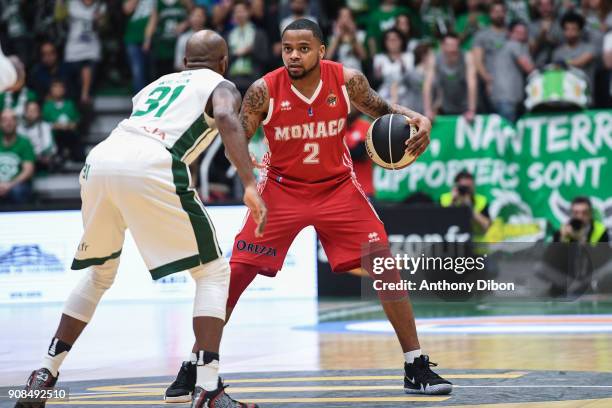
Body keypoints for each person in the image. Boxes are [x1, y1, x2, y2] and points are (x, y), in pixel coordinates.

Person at [164, 19, 452, 402]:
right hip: (282, 191)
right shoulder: (264, 90)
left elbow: (382, 109)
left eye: (303, 48)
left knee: (384, 267)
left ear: (322, 50)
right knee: (233, 275)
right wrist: (248, 174)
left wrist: (417, 117)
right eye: (287, 48)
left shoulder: (347, 80)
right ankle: (195, 362)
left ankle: (415, 365)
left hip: (337, 189)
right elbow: (236, 135)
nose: (294, 55)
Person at [14, 30, 266, 408]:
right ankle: (209, 388)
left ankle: (44, 373)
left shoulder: (155, 85)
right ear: (224, 62)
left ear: (184, 62)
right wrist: (248, 182)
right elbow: (228, 117)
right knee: (213, 272)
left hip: (101, 158)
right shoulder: (221, 84)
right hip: (151, 161)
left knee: (99, 273)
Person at [423, 33, 477, 121]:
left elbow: (472, 83)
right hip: (446, 107)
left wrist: (471, 109)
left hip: (465, 107)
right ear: (442, 46)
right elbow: (427, 84)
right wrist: (427, 110)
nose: (453, 49)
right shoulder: (435, 58)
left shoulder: (467, 57)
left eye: (455, 46)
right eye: (449, 45)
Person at [490, 20, 535, 122]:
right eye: (518, 33)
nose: (521, 36)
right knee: (510, 131)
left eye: (524, 33)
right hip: (508, 98)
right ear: (509, 33)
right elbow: (529, 68)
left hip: (499, 96)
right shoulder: (515, 45)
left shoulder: (505, 46)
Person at [225, 1, 270, 95]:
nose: (239, 14)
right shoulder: (228, 35)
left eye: (242, 11)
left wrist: (251, 51)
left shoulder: (259, 34)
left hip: (253, 79)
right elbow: (224, 60)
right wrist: (237, 54)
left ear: (249, 12)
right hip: (232, 80)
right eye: (236, 12)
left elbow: (266, 58)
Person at [472, 1, 508, 111]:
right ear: (490, 14)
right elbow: (477, 61)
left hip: (511, 84)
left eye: (501, 11)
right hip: (491, 85)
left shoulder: (512, 33)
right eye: (495, 11)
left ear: (505, 13)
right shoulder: (482, 35)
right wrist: (487, 80)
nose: (498, 14)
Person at [552, 11, 596, 94]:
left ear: (580, 31)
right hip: (563, 97)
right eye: (567, 29)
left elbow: (580, 62)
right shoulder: (557, 52)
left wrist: (563, 63)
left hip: (585, 96)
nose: (570, 32)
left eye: (573, 29)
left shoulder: (590, 48)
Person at [440, 170, 491, 239]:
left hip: (474, 242)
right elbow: (439, 222)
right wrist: (453, 201)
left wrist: (469, 207)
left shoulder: (481, 200)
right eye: (463, 188)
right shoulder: (445, 199)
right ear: (456, 186)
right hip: (450, 239)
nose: (466, 191)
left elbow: (486, 225)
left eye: (468, 188)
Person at [0, 109, 35, 205]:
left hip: (17, 185)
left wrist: (9, 185)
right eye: (5, 120)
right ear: (0, 123)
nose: (8, 123)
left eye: (12, 120)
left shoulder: (24, 142)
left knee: (18, 191)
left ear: (16, 123)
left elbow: (28, 171)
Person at [372, 28, 414, 106]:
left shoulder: (408, 56)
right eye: (389, 40)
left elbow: (411, 78)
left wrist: (403, 65)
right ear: (385, 42)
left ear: (401, 41)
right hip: (385, 93)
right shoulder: (379, 58)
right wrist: (378, 73)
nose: (392, 42)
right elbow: (376, 80)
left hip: (404, 93)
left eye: (395, 39)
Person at [42, 80, 82, 162]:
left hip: (69, 135)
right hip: (54, 136)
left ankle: (74, 155)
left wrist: (72, 124)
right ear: (51, 90)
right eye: (55, 87)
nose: (58, 89)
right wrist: (54, 125)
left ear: (64, 90)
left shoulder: (70, 104)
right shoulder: (47, 106)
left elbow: (76, 119)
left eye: (61, 87)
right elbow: (43, 123)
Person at [123, 0, 156, 92]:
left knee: (150, 74)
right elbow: (127, 9)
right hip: (132, 38)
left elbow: (154, 16)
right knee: (137, 72)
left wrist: (147, 39)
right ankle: (139, 103)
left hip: (151, 39)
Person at [17, 101, 56, 170]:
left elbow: (49, 147)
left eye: (34, 111)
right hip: (22, 160)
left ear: (39, 113)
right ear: (25, 113)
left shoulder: (45, 126)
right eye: (29, 110)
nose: (31, 113)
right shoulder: (19, 128)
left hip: (39, 161)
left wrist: (33, 155)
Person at [326, 7, 367, 71]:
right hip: (339, 75)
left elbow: (363, 56)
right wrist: (338, 36)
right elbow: (328, 57)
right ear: (337, 20)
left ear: (353, 20)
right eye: (342, 17)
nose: (345, 20)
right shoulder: (334, 37)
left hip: (356, 74)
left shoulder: (360, 34)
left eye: (348, 17)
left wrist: (352, 35)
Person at [529, 0, 564, 67]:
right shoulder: (532, 25)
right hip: (539, 66)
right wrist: (542, 35)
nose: (545, 8)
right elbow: (532, 50)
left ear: (553, 6)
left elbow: (566, 46)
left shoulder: (561, 24)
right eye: (541, 5)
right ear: (538, 8)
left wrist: (550, 40)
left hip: (560, 65)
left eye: (547, 5)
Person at [175, 6, 207, 71]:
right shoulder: (183, 38)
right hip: (188, 74)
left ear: (205, 18)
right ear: (189, 18)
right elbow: (178, 64)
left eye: (199, 16)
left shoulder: (212, 36)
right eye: (194, 16)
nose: (197, 19)